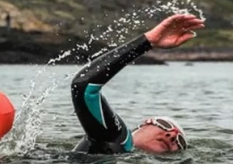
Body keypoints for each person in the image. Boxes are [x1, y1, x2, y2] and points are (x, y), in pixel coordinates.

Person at [71, 13, 205, 155]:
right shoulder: (118, 139)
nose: (171, 136)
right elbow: (84, 87)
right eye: (164, 126)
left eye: (180, 142)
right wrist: (148, 42)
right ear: (144, 124)